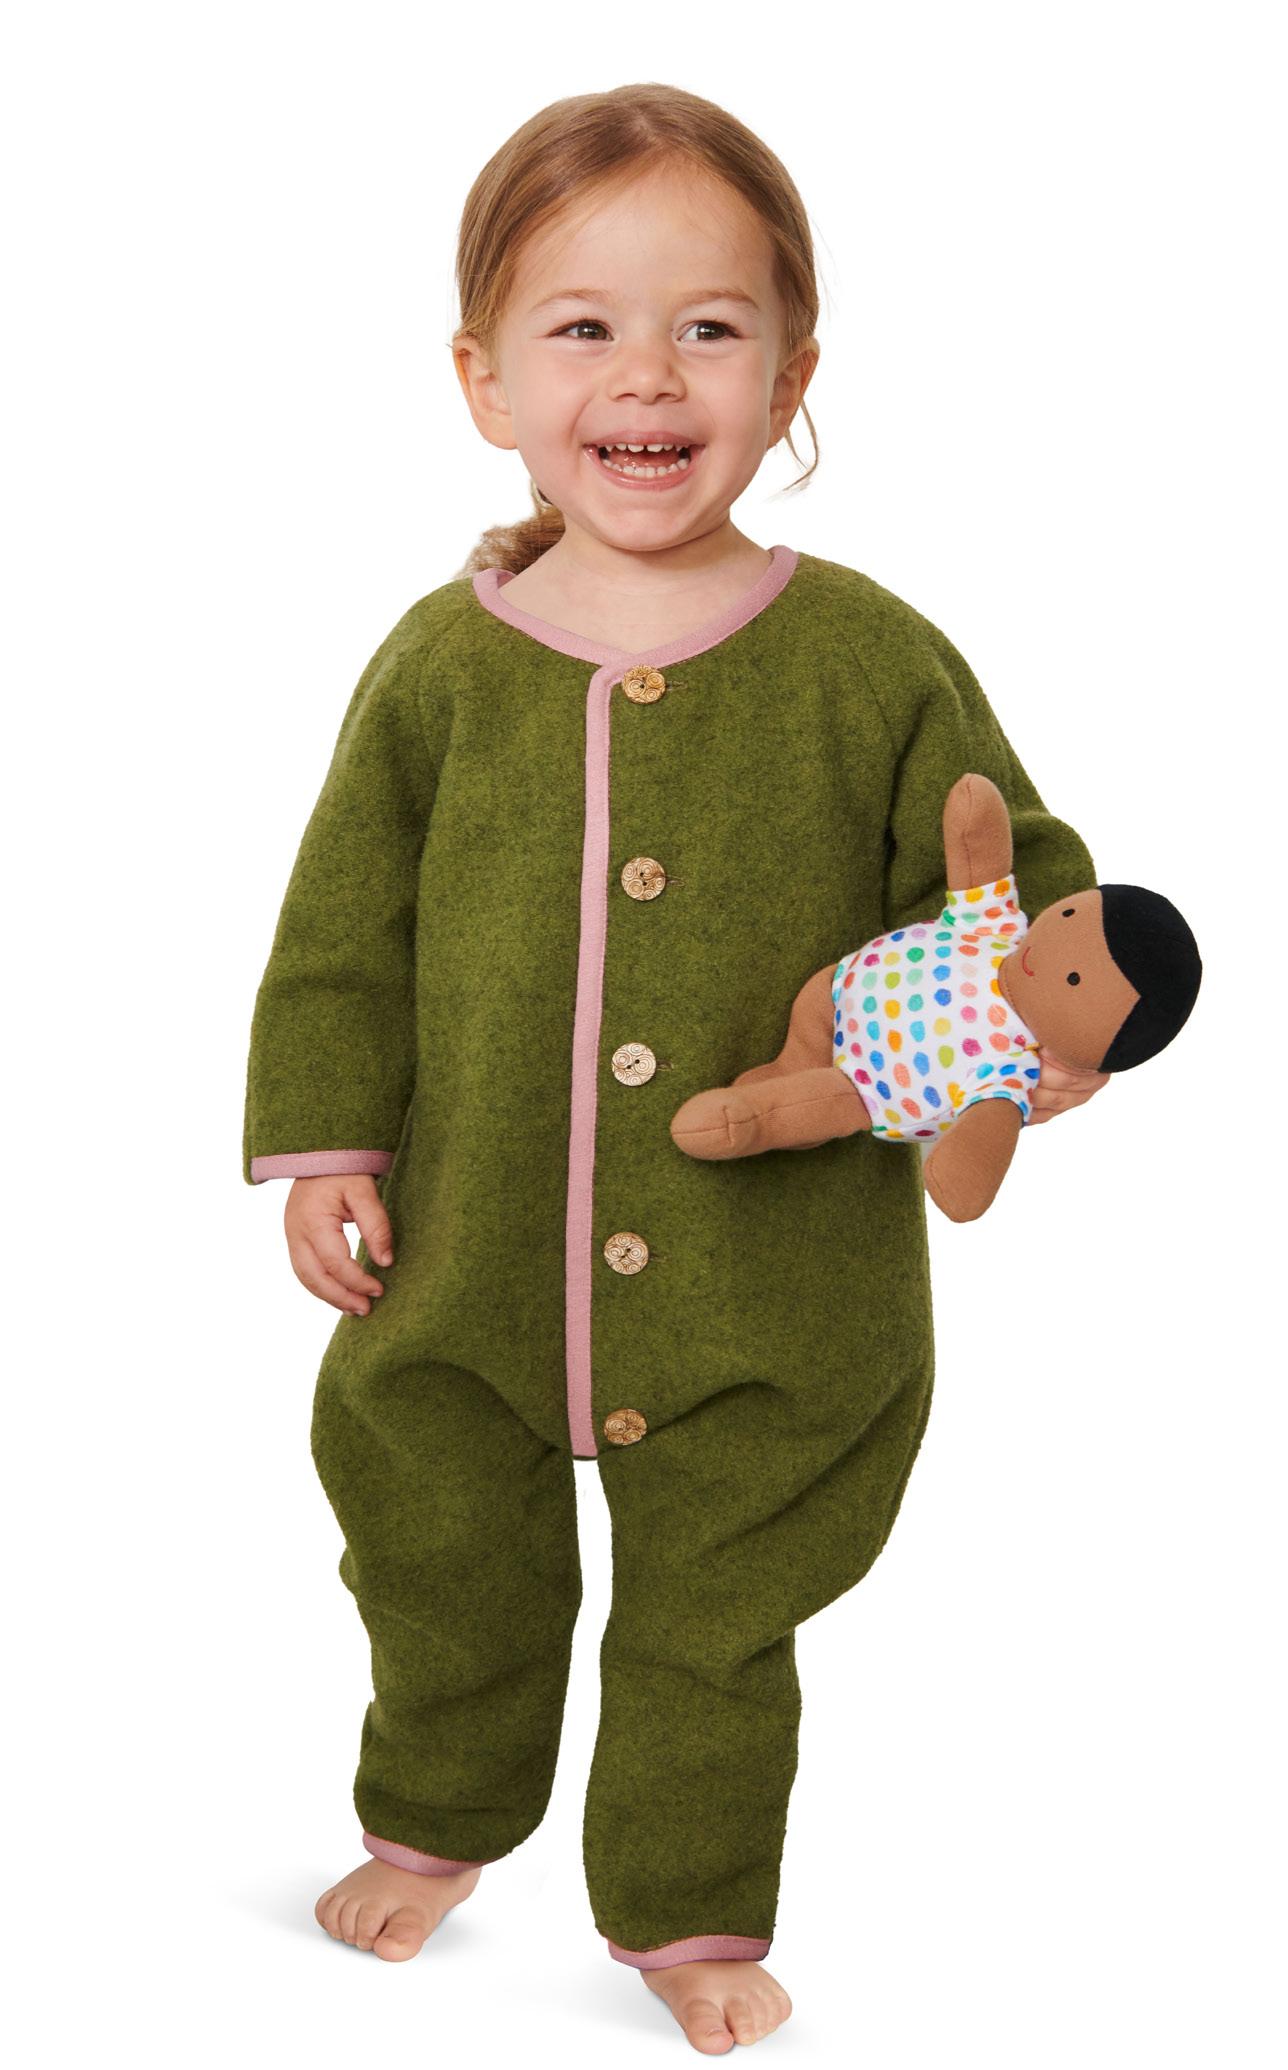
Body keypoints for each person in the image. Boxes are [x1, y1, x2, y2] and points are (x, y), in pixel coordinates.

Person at [242, 82, 1108, 2054]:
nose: (645, 374)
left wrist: (1033, 1015)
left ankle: (690, 1909)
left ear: (790, 374)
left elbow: (1006, 882)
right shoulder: (440, 665)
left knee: (719, 1608)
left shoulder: (867, 659)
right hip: (463, 1259)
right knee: (441, 1553)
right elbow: (340, 929)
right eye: (582, 327)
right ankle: (436, 1818)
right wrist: (325, 1147)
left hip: (768, 1286)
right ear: (484, 381)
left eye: (707, 327)